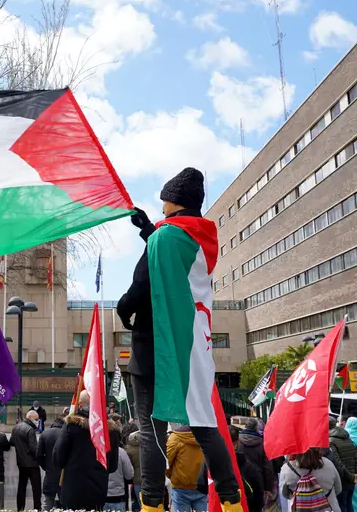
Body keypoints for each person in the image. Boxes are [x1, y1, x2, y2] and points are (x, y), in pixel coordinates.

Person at [117, 168, 241, 512]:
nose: (160, 209)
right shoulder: (198, 238)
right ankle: (232, 501)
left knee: (151, 431)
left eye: (163, 203)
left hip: (154, 346)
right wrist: (148, 231)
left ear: (173, 201)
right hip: (193, 347)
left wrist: (122, 309)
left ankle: (153, 504)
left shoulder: (164, 238)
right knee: (203, 424)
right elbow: (172, 258)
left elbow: (142, 285)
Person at [54, 391, 121, 511]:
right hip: (98, 489)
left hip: (73, 488)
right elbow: (113, 465)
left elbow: (58, 457)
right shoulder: (110, 430)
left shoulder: (71, 426)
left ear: (79, 404)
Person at [279, 447, 343, 512]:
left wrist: (304, 498)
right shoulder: (328, 463)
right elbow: (338, 489)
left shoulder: (286, 469)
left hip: (300, 509)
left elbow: (285, 494)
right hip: (330, 508)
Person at [166, 424, 206, 512]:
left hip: (180, 486)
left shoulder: (175, 438)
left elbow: (167, 463)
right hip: (202, 486)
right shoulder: (208, 436)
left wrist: (173, 477)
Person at [329, 416, 357, 512]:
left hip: (342, 479)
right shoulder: (347, 437)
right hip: (351, 478)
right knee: (349, 504)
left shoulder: (330, 441)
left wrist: (352, 476)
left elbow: (337, 463)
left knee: (342, 506)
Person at [238, 418, 273, 510]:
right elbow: (267, 467)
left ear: (245, 426)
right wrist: (268, 487)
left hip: (241, 479)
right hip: (258, 480)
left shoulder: (237, 442)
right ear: (257, 428)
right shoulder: (262, 444)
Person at [12, 410, 41, 510]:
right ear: (31, 418)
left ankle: (20, 508)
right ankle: (37, 509)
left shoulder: (16, 427)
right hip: (32, 464)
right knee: (36, 489)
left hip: (21, 463)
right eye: (36, 419)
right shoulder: (30, 430)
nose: (38, 421)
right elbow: (34, 448)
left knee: (21, 487)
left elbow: (12, 442)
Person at [38, 411, 66, 510]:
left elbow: (39, 455)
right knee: (65, 505)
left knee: (47, 503)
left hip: (50, 473)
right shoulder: (67, 434)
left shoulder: (45, 433)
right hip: (65, 474)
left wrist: (46, 467)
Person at [106, 442, 135, 511]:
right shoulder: (121, 452)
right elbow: (129, 475)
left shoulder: (94, 451)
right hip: (117, 494)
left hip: (99, 495)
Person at [125, 429, 142, 512]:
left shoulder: (128, 450)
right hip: (150, 480)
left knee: (139, 503)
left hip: (136, 480)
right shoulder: (147, 446)